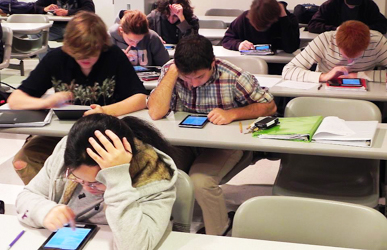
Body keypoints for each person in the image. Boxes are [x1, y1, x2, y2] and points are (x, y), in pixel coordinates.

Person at [147, 35, 277, 236]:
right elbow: (155, 112)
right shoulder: (170, 71)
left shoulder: (234, 76)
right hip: (186, 142)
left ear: (212, 63)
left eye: (199, 77)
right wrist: (173, 73)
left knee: (201, 182)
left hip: (225, 145)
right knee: (159, 173)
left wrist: (233, 113)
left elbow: (270, 106)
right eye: (186, 77)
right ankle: (166, 227)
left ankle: (220, 232)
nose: (193, 84)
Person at [7, 11, 148, 185]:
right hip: (62, 133)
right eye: (78, 55)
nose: (85, 60)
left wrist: (105, 111)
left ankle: (80, 194)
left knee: (110, 164)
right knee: (25, 159)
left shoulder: (114, 57)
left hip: (104, 132)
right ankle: (55, 203)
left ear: (101, 45)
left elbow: (140, 98)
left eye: (91, 54)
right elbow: (15, 99)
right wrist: (45, 102)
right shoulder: (56, 58)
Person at [15, 113, 178, 250]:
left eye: (96, 183)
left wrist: (117, 180)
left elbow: (135, 246)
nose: (86, 188)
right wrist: (44, 211)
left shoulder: (156, 177)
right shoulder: (69, 152)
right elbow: (28, 196)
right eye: (77, 178)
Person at [282, 20, 387, 83]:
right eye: (346, 56)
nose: (350, 61)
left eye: (356, 56)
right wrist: (324, 76)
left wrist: (359, 75)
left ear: (367, 45)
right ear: (337, 43)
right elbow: (288, 70)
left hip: (362, 93)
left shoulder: (378, 42)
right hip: (324, 92)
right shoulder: (325, 40)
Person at [222, 0, 299, 54]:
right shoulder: (245, 18)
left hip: (277, 66)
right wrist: (238, 44)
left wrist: (284, 18)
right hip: (249, 62)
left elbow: (291, 48)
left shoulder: (288, 19)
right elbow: (227, 39)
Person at [308, 0, 387, 34]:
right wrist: (336, 29)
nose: (352, 7)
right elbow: (313, 25)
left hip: (363, 44)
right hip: (335, 43)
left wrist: (363, 29)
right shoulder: (330, 5)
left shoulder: (368, 5)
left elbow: (383, 25)